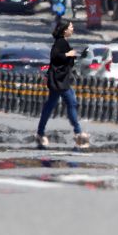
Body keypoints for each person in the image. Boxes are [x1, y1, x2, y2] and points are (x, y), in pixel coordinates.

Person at [35, 20, 90, 149]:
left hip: (61, 80)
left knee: (56, 104)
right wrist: (69, 54)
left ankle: (41, 132)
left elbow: (61, 61)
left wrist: (76, 55)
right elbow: (55, 56)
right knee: (68, 103)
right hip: (59, 81)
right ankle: (77, 132)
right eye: (71, 27)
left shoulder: (63, 42)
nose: (73, 29)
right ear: (65, 29)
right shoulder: (60, 42)